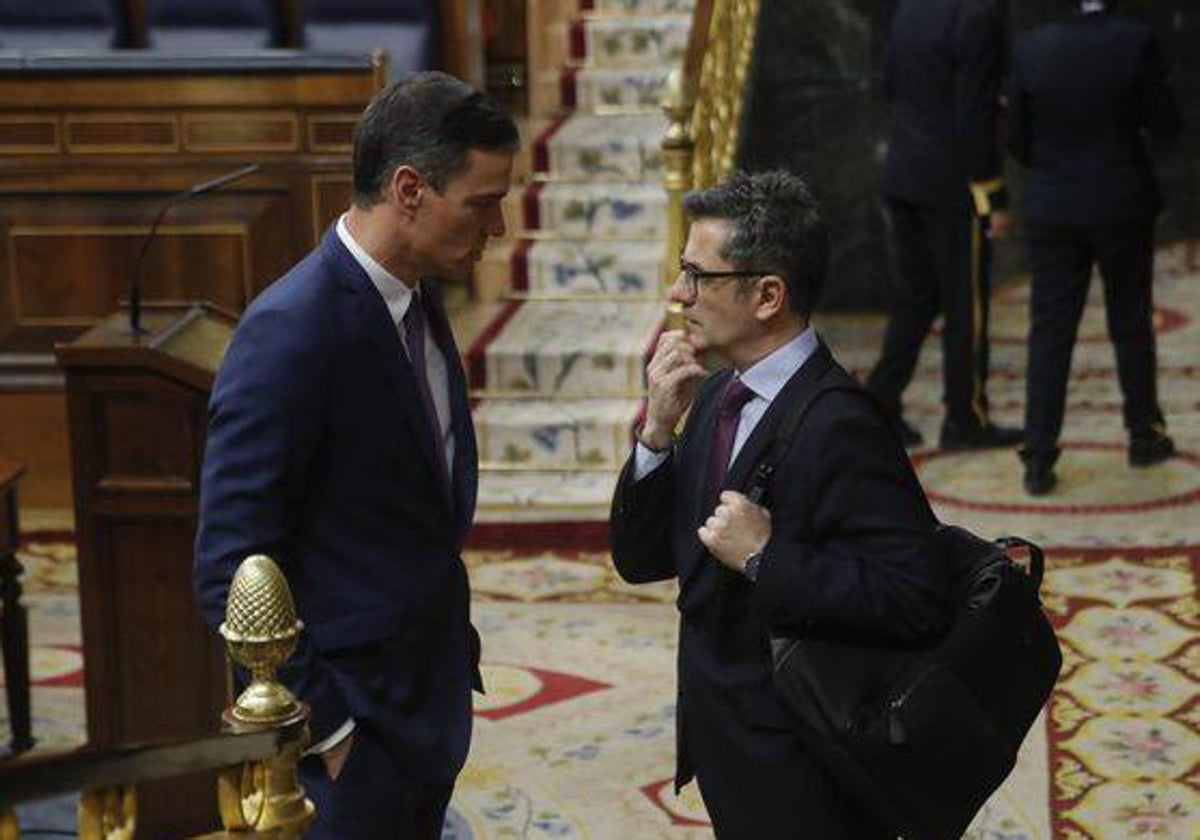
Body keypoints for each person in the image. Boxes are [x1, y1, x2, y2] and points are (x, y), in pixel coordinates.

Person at [193, 72, 517, 839]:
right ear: (409, 189)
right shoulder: (292, 330)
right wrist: (332, 733)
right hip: (351, 733)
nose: (498, 226)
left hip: (424, 704)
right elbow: (228, 565)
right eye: (482, 202)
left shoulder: (417, 293)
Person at [610, 171, 950, 838]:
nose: (677, 296)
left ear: (768, 295)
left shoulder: (839, 423)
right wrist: (655, 435)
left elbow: (919, 597)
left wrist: (768, 558)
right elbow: (643, 558)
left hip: (805, 767)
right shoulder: (712, 395)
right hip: (728, 742)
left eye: (696, 276)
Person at [1008, 0, 1182, 494]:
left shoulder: (1031, 48)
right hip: (1121, 202)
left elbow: (1018, 139)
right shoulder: (1134, 39)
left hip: (1053, 205)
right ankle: (1143, 434)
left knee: (1050, 333)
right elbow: (1166, 123)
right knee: (1130, 320)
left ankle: (1038, 457)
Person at [866, 0, 1022, 450]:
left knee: (917, 297)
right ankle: (965, 419)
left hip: (904, 173)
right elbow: (976, 113)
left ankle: (880, 402)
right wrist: (991, 193)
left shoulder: (910, 9)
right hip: (953, 185)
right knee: (966, 306)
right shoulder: (980, 16)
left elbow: (889, 84)